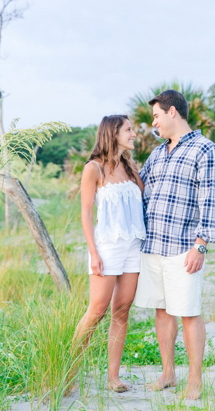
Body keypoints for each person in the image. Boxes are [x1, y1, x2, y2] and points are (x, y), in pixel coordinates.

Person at [134, 90, 215, 400]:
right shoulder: (158, 153)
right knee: (162, 311)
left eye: (156, 116)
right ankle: (168, 373)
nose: (154, 122)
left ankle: (195, 380)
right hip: (153, 245)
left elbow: (211, 200)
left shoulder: (206, 150)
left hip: (184, 246)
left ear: (172, 112)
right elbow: (140, 184)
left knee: (188, 312)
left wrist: (201, 244)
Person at [74, 114, 145, 392]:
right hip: (107, 246)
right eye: (128, 130)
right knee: (97, 310)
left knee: (122, 310)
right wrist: (93, 253)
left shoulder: (130, 168)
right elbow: (86, 213)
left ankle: (113, 378)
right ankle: (69, 367)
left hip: (133, 246)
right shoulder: (94, 168)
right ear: (113, 133)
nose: (133, 134)